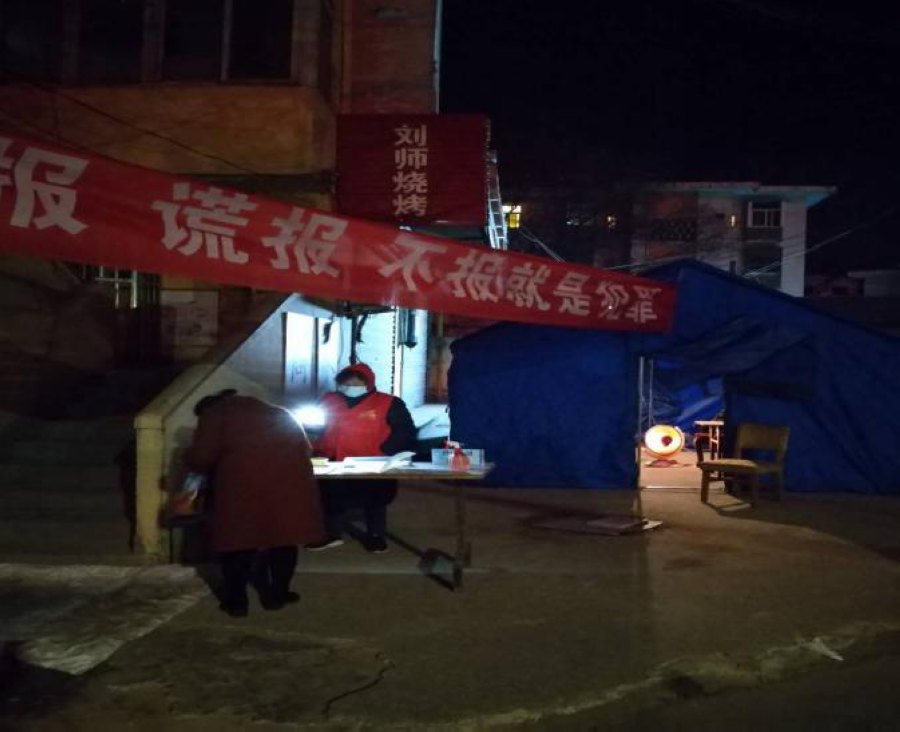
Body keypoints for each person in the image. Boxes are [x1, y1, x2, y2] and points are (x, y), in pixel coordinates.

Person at [186, 389, 324, 617]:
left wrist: (189, 459)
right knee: (283, 541)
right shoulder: (280, 413)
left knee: (237, 544)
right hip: (288, 487)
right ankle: (278, 595)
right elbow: (306, 448)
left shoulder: (215, 414)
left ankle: (237, 602)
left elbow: (202, 457)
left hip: (242, 488)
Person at [307, 363, 416, 553]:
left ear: (368, 383)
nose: (350, 387)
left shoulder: (388, 402)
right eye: (346, 383)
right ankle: (331, 535)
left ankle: (376, 537)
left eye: (355, 383)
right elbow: (316, 426)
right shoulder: (328, 400)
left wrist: (386, 451)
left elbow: (404, 431)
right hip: (333, 459)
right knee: (330, 499)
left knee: (375, 501)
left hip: (373, 462)